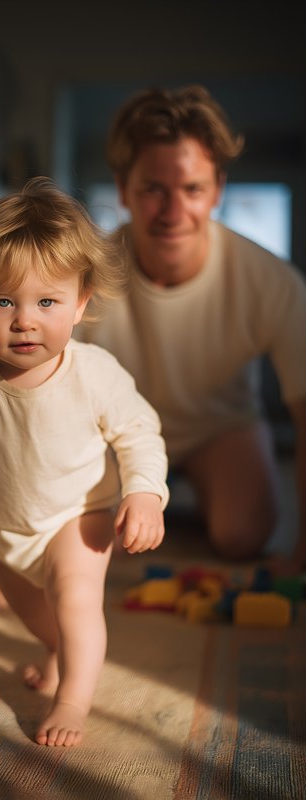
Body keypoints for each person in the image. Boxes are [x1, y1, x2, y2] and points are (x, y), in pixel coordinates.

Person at [0, 177, 169, 748]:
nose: (25, 320)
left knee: (74, 599)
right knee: (39, 617)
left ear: (80, 304)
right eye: (3, 301)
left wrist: (145, 492)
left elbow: (139, 432)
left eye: (47, 301)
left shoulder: (94, 373)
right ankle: (55, 650)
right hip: (7, 532)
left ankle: (73, 697)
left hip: (81, 515)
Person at [76, 84, 306, 576]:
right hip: (113, 434)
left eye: (193, 189)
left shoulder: (273, 282)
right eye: (154, 189)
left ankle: (190, 497)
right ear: (123, 190)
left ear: (218, 189)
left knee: (243, 536)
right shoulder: (85, 274)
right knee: (80, 542)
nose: (174, 212)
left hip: (219, 428)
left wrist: (303, 555)